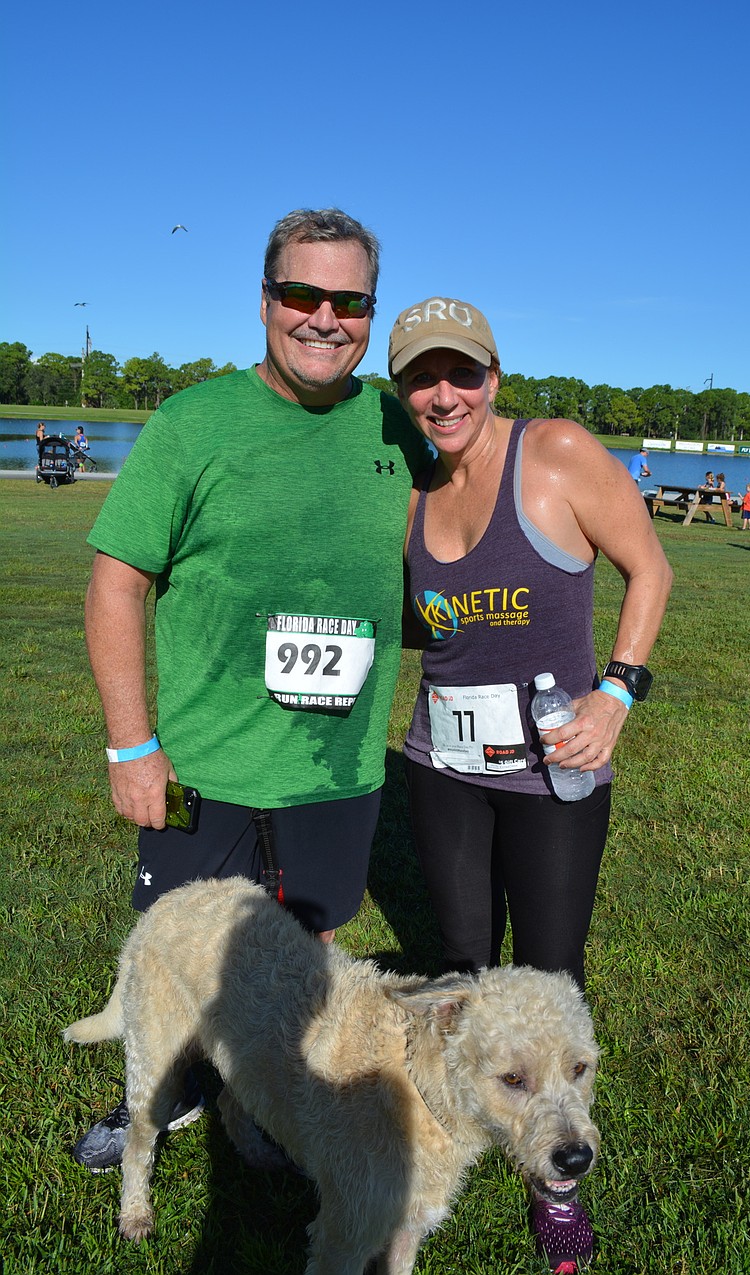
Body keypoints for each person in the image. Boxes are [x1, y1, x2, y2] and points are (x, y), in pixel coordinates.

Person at [71, 208, 428, 1173]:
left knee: (302, 958)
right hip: (207, 765)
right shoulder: (194, 423)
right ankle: (166, 1090)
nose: (324, 318)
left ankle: (264, 1100)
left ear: (371, 312)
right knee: (179, 960)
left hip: (334, 771)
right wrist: (131, 745)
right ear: (265, 300)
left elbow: (456, 526)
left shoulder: (395, 426)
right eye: (302, 293)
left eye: (349, 301)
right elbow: (117, 581)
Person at [388, 296, 673, 1271]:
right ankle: (459, 1134)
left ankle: (558, 1177)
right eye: (423, 377)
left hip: (556, 771)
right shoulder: (413, 492)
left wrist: (616, 693)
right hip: (443, 765)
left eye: (462, 372)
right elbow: (423, 624)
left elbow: (648, 568)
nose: (445, 394)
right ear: (403, 391)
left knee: (551, 977)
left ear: (493, 376)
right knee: (464, 967)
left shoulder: (553, 453)